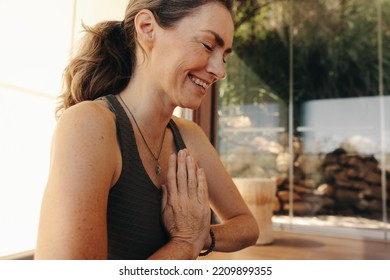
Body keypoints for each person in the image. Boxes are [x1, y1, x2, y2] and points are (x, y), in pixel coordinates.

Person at [34, 0, 259, 260]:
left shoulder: (189, 136)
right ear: (147, 28)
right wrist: (184, 243)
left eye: (224, 57)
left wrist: (200, 234)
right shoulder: (89, 125)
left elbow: (247, 225)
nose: (220, 71)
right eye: (208, 46)